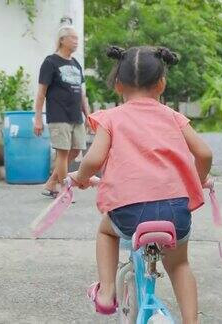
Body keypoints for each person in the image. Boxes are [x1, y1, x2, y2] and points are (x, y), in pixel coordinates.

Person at [70, 46, 213, 324]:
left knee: (107, 232)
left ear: (118, 84)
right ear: (161, 84)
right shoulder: (173, 117)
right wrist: (198, 179)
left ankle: (107, 292)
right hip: (175, 212)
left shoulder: (111, 117)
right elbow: (205, 154)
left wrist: (82, 178)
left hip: (129, 212)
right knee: (180, 264)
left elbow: (94, 158)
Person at [34, 25, 90, 198]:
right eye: (73, 38)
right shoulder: (50, 62)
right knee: (62, 152)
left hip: (75, 116)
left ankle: (52, 183)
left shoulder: (76, 64)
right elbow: (41, 92)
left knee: (76, 150)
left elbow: (81, 93)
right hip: (58, 115)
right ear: (62, 40)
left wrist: (88, 116)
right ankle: (64, 190)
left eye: (77, 39)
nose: (76, 41)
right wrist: (37, 118)